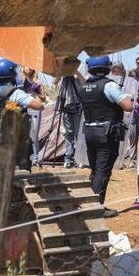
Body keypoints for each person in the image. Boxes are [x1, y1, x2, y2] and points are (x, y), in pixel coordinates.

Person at [80, 55, 134, 218]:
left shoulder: (84, 86)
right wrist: (127, 97)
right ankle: (96, 209)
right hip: (106, 133)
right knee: (102, 171)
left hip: (89, 132)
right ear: (106, 68)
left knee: (95, 169)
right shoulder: (109, 85)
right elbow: (128, 107)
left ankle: (89, 204)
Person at [0, 58, 44, 162]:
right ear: (12, 74)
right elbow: (39, 106)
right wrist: (35, 93)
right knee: (20, 175)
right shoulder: (16, 93)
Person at [58, 74, 83, 168]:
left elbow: (84, 81)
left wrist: (75, 72)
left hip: (77, 105)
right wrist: (61, 73)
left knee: (78, 133)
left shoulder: (79, 69)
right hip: (66, 106)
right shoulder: (63, 72)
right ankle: (68, 159)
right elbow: (55, 82)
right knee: (69, 133)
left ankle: (79, 158)